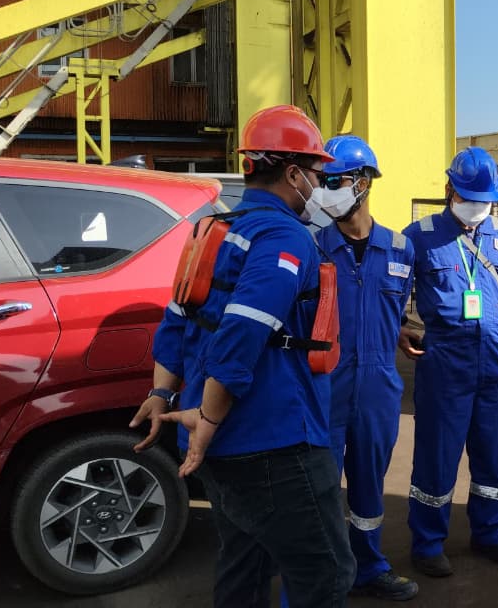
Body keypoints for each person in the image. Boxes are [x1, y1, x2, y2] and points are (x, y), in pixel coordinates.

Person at [135, 105, 355, 608]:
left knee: (245, 563)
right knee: (326, 574)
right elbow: (245, 329)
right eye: (319, 175)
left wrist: (161, 393)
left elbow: (177, 320)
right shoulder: (285, 236)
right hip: (274, 441)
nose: (321, 187)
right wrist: (211, 415)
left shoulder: (212, 229)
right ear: (294, 174)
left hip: (219, 445)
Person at [400, 146, 498, 578]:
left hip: (497, 363)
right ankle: (427, 543)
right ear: (449, 191)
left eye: (485, 200)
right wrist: (400, 328)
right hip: (445, 361)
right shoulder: (419, 237)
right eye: (469, 198)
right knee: (437, 453)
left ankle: (491, 532)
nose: (477, 207)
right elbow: (393, 294)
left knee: (495, 452)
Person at [313, 135, 420, 601]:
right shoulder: (313, 248)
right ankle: (321, 580)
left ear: (363, 183)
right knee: (318, 490)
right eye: (322, 181)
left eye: (334, 181)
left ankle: (369, 567)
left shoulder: (400, 249)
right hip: (324, 388)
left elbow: (390, 308)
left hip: (378, 388)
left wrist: (398, 330)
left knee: (369, 487)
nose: (325, 191)